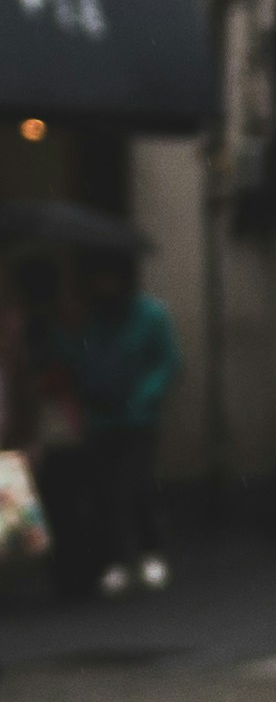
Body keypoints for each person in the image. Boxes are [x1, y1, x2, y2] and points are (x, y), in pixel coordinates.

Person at [55, 249, 180, 596]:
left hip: (137, 417)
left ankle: (150, 552)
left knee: (136, 484)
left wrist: (146, 395)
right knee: (106, 490)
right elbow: (75, 358)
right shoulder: (91, 318)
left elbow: (168, 360)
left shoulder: (150, 314)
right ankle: (119, 559)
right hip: (101, 418)